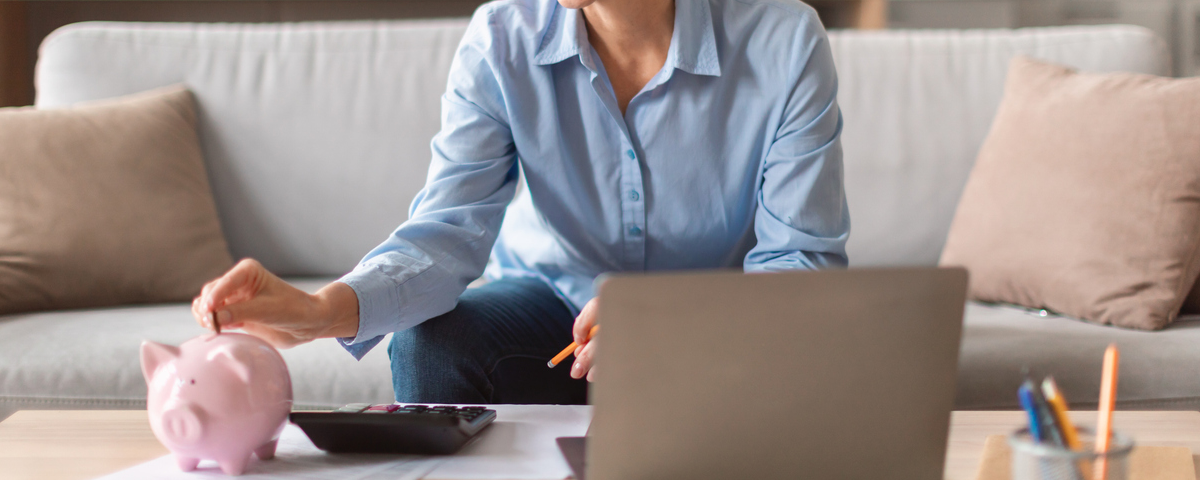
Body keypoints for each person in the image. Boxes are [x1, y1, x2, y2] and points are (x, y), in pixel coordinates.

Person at [191, 0, 849, 405]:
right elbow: (445, 237)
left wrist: (668, 320)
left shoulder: (785, 42)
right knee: (429, 347)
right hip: (553, 326)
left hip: (719, 341)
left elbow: (804, 262)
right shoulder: (501, 38)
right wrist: (318, 311)